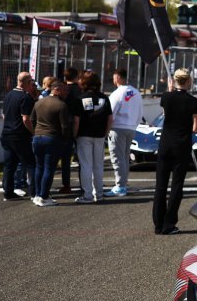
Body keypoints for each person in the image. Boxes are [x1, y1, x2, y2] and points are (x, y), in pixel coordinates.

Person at [153, 69, 197, 235]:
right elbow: (196, 128)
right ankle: (169, 223)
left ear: (174, 81)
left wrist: (169, 90)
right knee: (177, 185)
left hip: (165, 145)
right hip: (181, 146)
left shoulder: (166, 97)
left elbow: (166, 114)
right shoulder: (194, 101)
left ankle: (158, 224)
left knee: (160, 185)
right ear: (188, 81)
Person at [71, 71, 113, 204]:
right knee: (98, 165)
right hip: (100, 135)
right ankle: (99, 193)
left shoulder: (80, 99)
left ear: (83, 83)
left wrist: (74, 134)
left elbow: (76, 120)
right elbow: (110, 118)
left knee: (86, 165)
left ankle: (88, 195)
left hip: (84, 135)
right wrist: (105, 133)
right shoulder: (104, 98)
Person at [30, 81, 73, 207]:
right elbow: (65, 126)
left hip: (37, 137)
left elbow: (32, 120)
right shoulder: (61, 105)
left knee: (39, 167)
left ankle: (37, 195)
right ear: (56, 89)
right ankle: (44, 196)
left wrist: (36, 132)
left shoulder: (38, 102)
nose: (66, 92)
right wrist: (65, 139)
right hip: (52, 138)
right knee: (49, 168)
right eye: (64, 90)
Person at [0, 72, 36, 201]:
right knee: (31, 163)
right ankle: (35, 192)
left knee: (9, 165)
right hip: (20, 135)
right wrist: (33, 132)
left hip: (6, 134)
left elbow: (4, 116)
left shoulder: (9, 95)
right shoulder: (25, 97)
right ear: (28, 82)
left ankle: (8, 192)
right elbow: (26, 119)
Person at [106, 68, 143, 197]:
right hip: (131, 128)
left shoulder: (117, 93)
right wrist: (134, 125)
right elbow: (140, 113)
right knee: (125, 157)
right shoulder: (136, 92)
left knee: (117, 157)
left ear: (117, 77)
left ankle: (120, 186)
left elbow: (110, 114)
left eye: (114, 77)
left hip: (118, 128)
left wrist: (107, 129)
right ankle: (123, 183)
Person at [58, 67, 81, 194]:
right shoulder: (81, 90)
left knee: (65, 159)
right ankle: (84, 184)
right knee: (82, 159)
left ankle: (66, 185)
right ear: (77, 76)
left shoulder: (62, 90)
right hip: (80, 127)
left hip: (64, 127)